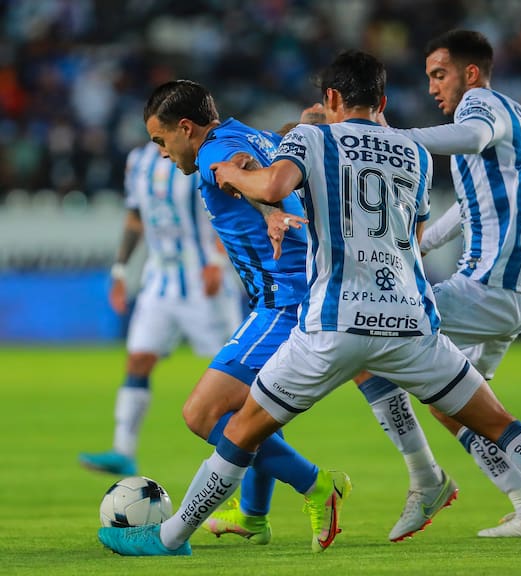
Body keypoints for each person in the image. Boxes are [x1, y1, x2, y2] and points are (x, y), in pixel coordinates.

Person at [97, 49, 521, 556]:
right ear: (384, 99)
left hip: (331, 321)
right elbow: (415, 234)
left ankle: (170, 538)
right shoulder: (416, 153)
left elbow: (270, 183)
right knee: (499, 422)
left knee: (239, 429)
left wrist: (238, 179)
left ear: (329, 97)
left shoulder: (311, 138)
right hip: (409, 320)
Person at [107, 80, 351, 553]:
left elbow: (235, 173)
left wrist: (270, 208)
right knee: (253, 415)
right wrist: (301, 132)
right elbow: (258, 162)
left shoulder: (210, 155)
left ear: (185, 128)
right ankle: (254, 518)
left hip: (287, 303)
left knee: (201, 414)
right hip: (290, 296)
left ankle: (318, 485)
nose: (160, 152)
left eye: (161, 140)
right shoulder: (250, 133)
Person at [345, 28, 521, 539]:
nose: (432, 88)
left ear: (470, 73)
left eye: (439, 75)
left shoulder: (478, 105)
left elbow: (472, 137)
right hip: (519, 289)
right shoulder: (518, 115)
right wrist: (420, 246)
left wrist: (395, 138)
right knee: (460, 404)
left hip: (487, 285)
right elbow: (470, 208)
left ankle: (427, 480)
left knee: (366, 343)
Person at [79, 141, 242, 476]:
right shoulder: (137, 161)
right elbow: (135, 218)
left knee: (236, 376)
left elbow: (227, 209)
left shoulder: (201, 157)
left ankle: (252, 451)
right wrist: (121, 270)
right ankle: (123, 450)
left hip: (203, 282)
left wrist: (216, 259)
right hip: (159, 280)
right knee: (139, 358)